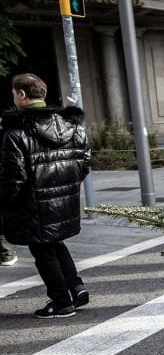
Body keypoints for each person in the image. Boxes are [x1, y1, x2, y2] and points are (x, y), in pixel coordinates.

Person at [0, 73, 90, 318]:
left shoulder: (16, 132)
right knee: (54, 242)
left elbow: (13, 178)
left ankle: (61, 303)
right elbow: (85, 162)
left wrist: (4, 202)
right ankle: (76, 287)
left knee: (42, 251)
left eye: (13, 93)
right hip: (64, 200)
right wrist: (67, 186)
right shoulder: (72, 125)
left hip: (31, 204)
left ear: (21, 94)